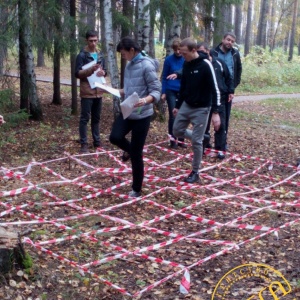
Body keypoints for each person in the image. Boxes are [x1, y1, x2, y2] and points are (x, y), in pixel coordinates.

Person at [109, 37, 161, 198]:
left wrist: (145, 100)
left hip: (142, 114)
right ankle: (131, 151)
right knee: (115, 137)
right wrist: (114, 90)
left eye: (124, 54)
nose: (123, 57)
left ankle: (136, 188)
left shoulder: (146, 65)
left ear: (132, 50)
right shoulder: (130, 65)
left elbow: (156, 91)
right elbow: (130, 88)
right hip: (128, 111)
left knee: (137, 154)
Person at [172, 38, 221, 184]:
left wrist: (216, 112)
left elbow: (215, 89)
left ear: (194, 50)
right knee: (176, 131)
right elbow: (183, 87)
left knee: (196, 142)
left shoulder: (206, 64)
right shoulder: (186, 64)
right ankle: (201, 137)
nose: (182, 55)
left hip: (202, 108)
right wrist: (177, 105)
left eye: (185, 53)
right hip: (187, 104)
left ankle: (195, 172)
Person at [198, 42, 234, 159]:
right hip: (205, 98)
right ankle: (204, 147)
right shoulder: (200, 64)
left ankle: (220, 149)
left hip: (220, 98)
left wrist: (230, 91)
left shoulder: (219, 62)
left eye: (202, 51)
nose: (200, 54)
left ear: (208, 51)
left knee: (220, 125)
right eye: (198, 52)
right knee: (204, 125)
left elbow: (229, 78)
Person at [75, 30, 107, 153]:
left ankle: (97, 142)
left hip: (99, 90)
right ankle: (84, 144)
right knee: (84, 118)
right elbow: (77, 73)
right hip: (87, 91)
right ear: (86, 41)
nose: (93, 43)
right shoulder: (82, 55)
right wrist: (90, 70)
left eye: (95, 40)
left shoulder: (100, 55)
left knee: (96, 118)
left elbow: (105, 71)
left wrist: (103, 72)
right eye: (91, 41)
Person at [211, 32, 242, 149]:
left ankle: (221, 143)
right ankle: (206, 140)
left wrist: (233, 87)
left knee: (225, 117)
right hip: (214, 88)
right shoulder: (214, 52)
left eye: (232, 41)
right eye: (228, 40)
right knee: (211, 114)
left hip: (228, 90)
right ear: (223, 39)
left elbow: (238, 70)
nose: (230, 43)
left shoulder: (235, 54)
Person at [161, 39, 186, 149]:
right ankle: (173, 140)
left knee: (183, 114)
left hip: (182, 90)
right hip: (171, 89)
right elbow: (164, 76)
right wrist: (163, 92)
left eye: (179, 50)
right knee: (173, 114)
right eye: (175, 50)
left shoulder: (186, 60)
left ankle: (181, 139)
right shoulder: (168, 60)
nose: (178, 52)